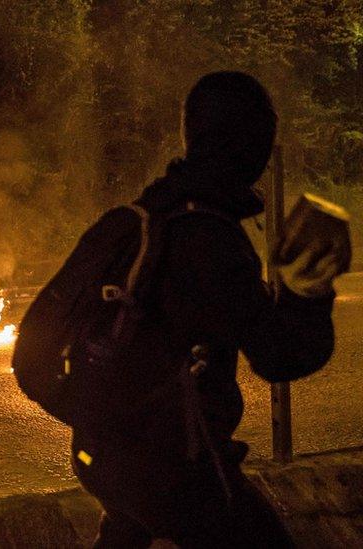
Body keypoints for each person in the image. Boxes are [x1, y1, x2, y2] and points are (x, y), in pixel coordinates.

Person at [70, 72, 347, 547]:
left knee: (127, 530)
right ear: (255, 146)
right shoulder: (209, 237)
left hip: (103, 448)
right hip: (175, 463)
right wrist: (313, 290)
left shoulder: (151, 214)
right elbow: (279, 354)